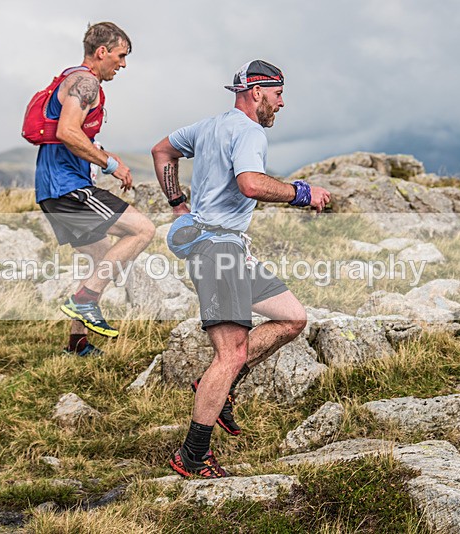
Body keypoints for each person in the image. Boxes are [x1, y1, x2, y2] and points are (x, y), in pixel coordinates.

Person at [151, 60, 331, 477]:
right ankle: (192, 455)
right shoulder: (249, 131)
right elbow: (251, 183)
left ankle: (220, 386)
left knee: (292, 318)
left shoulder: (208, 126)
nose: (282, 103)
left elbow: (162, 150)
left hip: (229, 247)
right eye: (278, 94)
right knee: (229, 354)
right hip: (218, 250)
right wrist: (302, 193)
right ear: (257, 93)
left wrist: (178, 203)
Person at [36, 22, 155, 355]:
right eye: (121, 56)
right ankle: (83, 301)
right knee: (142, 230)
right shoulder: (86, 82)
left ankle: (77, 344)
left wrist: (102, 152)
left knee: (102, 256)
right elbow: (67, 132)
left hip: (54, 187)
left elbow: (76, 133)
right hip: (67, 186)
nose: (123, 64)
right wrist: (110, 165)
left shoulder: (73, 78)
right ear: (102, 51)